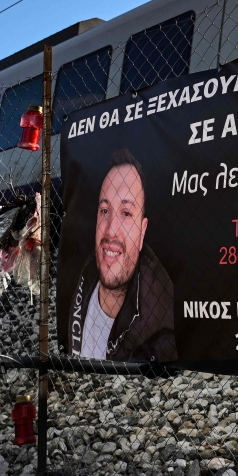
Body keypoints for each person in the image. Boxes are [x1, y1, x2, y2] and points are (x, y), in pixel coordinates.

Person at [69, 149, 177, 362]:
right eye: (105, 211)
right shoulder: (83, 275)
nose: (111, 230)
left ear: (142, 231)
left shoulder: (160, 335)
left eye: (126, 213)